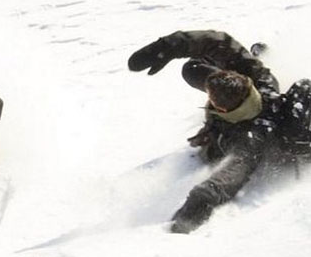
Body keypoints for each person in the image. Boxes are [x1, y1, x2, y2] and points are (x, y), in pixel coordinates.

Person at [128, 30, 311, 233]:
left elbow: (233, 171)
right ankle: (254, 56)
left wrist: (201, 200)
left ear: (223, 110)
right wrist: (170, 45)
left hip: (273, 140)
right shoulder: (259, 79)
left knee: (193, 69)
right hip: (251, 93)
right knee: (192, 68)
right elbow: (218, 42)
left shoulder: (251, 136)